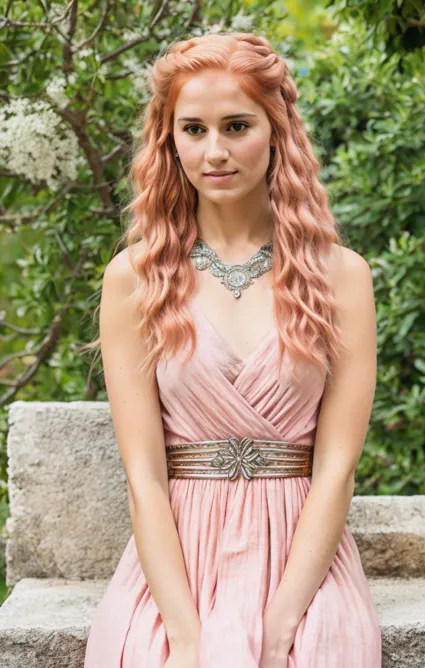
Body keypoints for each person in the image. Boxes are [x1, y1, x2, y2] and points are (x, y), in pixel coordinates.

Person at [83, 30, 382, 668]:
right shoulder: (135, 277)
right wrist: (186, 635)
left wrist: (280, 625)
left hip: (302, 557)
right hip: (174, 564)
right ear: (170, 141)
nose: (214, 151)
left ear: (277, 131)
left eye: (237, 125)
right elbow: (145, 477)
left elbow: (335, 469)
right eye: (193, 129)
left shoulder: (341, 276)